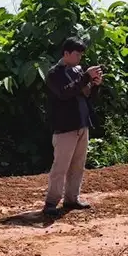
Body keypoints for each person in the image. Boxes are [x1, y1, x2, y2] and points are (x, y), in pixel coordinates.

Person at [43, 37, 103, 218]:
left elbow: (86, 97)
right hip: (65, 127)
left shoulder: (78, 71)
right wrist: (86, 77)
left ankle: (71, 198)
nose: (80, 59)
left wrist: (95, 85)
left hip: (82, 125)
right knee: (60, 167)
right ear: (66, 53)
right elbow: (64, 93)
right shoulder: (54, 74)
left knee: (78, 165)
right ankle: (51, 202)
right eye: (77, 54)